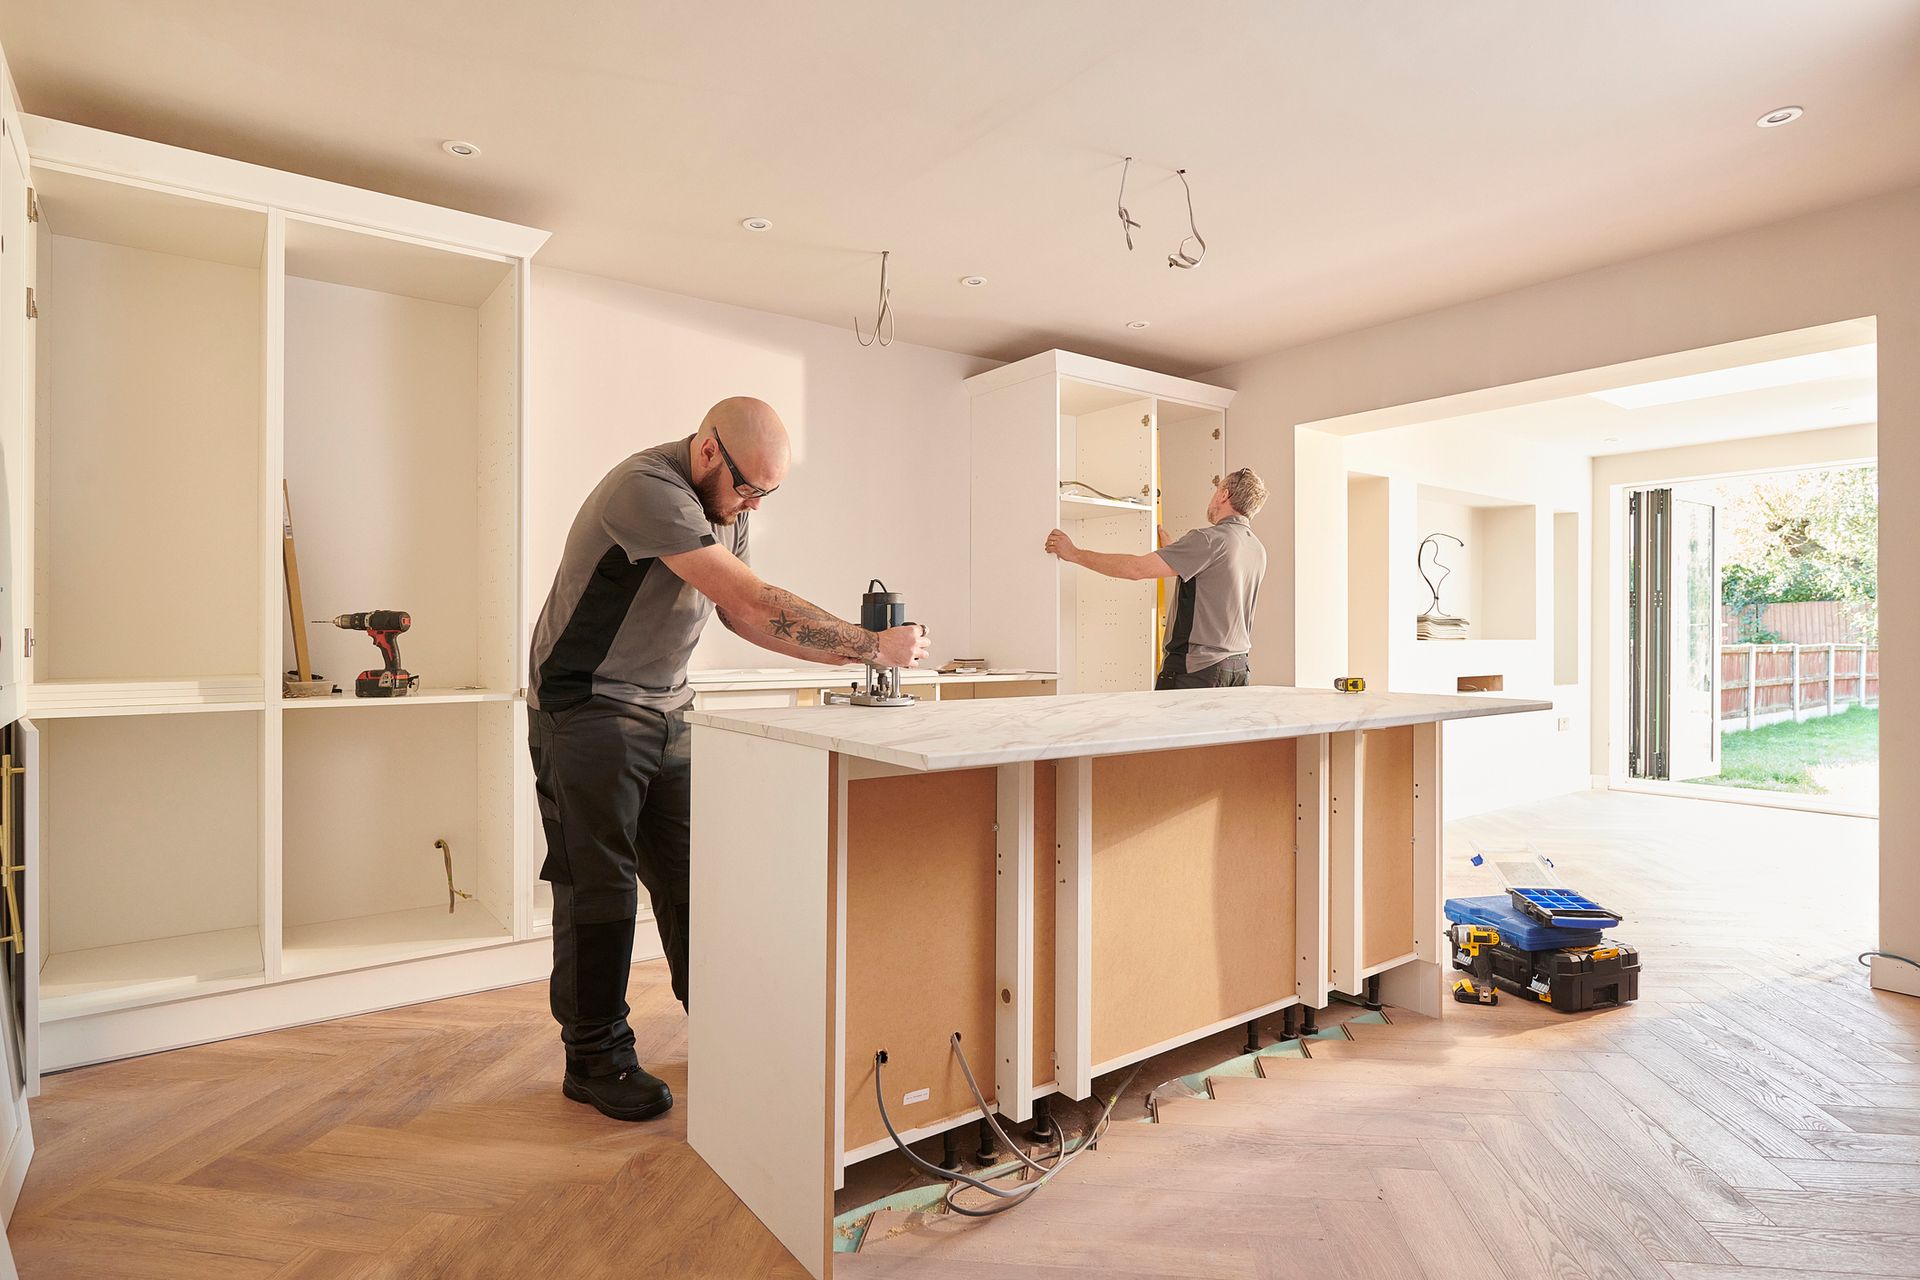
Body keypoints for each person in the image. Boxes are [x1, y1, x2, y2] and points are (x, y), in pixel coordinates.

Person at [527, 396, 929, 1121]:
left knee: (695, 879)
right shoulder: (645, 490)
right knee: (600, 888)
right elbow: (746, 592)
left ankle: (724, 1031)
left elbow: (743, 617)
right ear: (709, 450)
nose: (749, 506)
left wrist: (851, 653)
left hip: (666, 706)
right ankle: (595, 1058)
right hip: (587, 708)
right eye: (747, 489)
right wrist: (870, 643)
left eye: (764, 497)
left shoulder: (727, 507)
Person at [1043, 468, 1268, 689]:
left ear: (1224, 494)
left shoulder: (1208, 540)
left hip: (1198, 670)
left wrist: (1074, 553)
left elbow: (1136, 569)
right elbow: (1213, 586)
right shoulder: (1256, 548)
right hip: (1237, 668)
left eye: (1216, 489)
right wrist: (1174, 552)